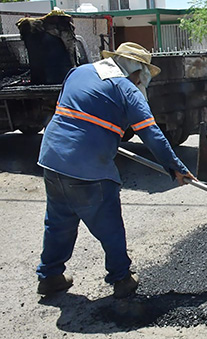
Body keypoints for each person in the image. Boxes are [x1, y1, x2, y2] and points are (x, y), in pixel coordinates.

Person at [36, 42, 196, 298]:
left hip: (52, 160)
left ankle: (50, 275)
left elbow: (79, 112)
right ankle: (121, 278)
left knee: (59, 221)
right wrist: (177, 168)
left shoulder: (78, 72)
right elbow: (152, 134)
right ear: (138, 71)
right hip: (89, 168)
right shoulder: (126, 88)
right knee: (109, 224)